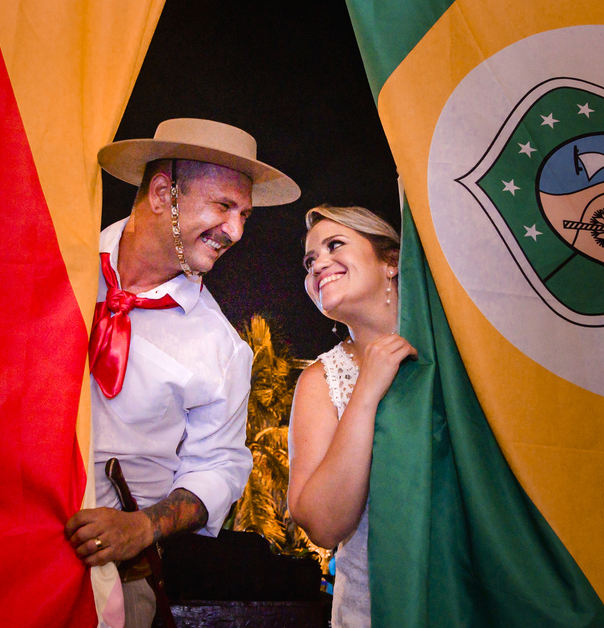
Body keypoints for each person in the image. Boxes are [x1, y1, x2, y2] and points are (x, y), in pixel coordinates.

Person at [65, 118, 299, 628]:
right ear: (161, 194)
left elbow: (218, 469)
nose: (236, 231)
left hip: (112, 584)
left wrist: (140, 528)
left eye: (244, 215)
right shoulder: (54, 262)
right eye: (223, 206)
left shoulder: (222, 348)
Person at [287, 205, 416, 628]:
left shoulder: (457, 350)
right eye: (309, 260)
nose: (317, 264)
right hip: (373, 608)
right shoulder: (320, 381)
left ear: (391, 262)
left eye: (334, 245)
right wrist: (366, 391)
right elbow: (323, 526)